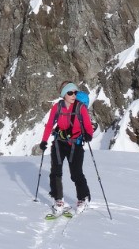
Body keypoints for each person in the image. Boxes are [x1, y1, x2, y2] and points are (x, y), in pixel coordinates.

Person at [39, 81, 94, 212]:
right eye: (70, 93)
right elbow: (49, 124)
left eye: (75, 92)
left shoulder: (81, 108)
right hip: (59, 142)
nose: (73, 95)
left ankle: (83, 197)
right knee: (55, 172)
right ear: (64, 95)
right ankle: (58, 199)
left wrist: (89, 135)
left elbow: (87, 125)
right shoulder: (57, 107)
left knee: (76, 173)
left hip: (76, 144)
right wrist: (44, 141)